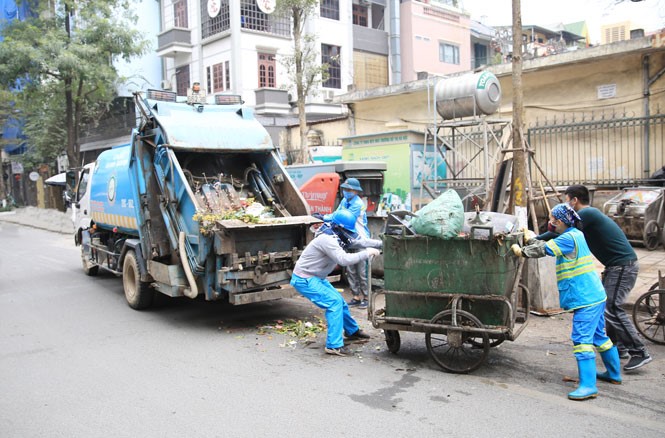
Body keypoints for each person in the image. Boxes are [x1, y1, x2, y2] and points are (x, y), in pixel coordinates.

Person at [512, 203, 622, 401]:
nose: (551, 223)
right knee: (599, 336)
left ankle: (588, 386)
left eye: (553, 220)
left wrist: (521, 251)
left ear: (560, 221)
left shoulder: (568, 239)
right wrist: (530, 237)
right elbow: (547, 243)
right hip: (596, 295)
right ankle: (614, 374)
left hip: (585, 298)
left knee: (581, 340)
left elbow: (544, 249)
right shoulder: (575, 235)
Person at [539, 185, 651, 371]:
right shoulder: (587, 217)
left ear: (574, 200)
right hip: (616, 266)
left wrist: (535, 239)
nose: (566, 205)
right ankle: (619, 348)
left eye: (567, 200)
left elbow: (557, 230)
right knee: (606, 304)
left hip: (622, 266)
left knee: (612, 307)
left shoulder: (587, 214)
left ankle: (639, 352)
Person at [291, 209, 382, 357]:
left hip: (317, 277)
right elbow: (343, 259)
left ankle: (352, 331)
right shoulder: (327, 239)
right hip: (305, 278)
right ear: (339, 227)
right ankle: (333, 346)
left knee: (340, 301)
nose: (349, 233)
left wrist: (381, 243)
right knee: (334, 303)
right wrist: (367, 253)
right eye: (347, 230)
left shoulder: (340, 234)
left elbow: (361, 241)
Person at [324, 177, 371, 309]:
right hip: (348, 239)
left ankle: (367, 297)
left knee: (362, 271)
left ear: (356, 191)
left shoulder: (358, 204)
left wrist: (328, 218)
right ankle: (356, 296)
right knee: (350, 270)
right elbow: (337, 212)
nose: (346, 191)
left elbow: (345, 217)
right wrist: (329, 216)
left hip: (360, 239)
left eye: (349, 189)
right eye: (345, 189)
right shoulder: (345, 200)